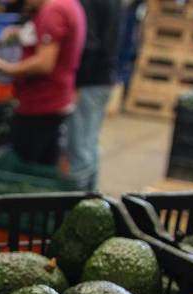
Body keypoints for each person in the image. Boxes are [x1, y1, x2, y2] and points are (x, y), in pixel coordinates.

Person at [0, 0, 86, 169]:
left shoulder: (53, 10)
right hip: (57, 99)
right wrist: (20, 32)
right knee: (46, 163)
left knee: (29, 167)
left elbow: (44, 63)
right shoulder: (69, 4)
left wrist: (7, 68)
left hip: (41, 104)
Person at [68, 0, 122, 190]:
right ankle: (92, 198)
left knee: (80, 148)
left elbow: (89, 44)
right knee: (90, 143)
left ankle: (78, 206)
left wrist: (78, 83)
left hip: (90, 81)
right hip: (104, 77)